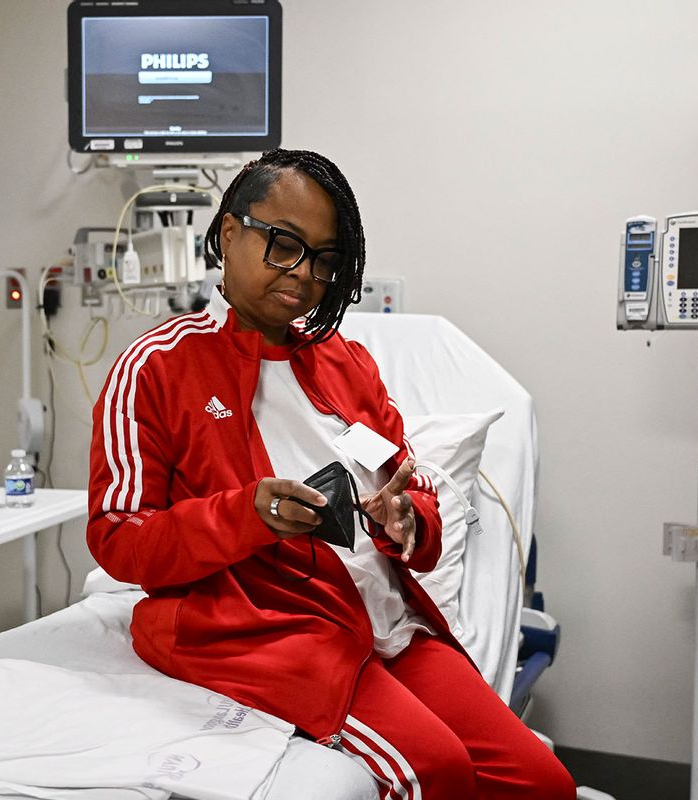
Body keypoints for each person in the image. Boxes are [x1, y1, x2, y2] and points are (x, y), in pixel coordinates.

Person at [87, 148, 574, 799]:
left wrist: (407, 523)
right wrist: (248, 515)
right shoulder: (156, 369)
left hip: (386, 626)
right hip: (271, 631)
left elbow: (413, 489)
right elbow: (119, 539)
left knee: (541, 784)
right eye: (284, 245)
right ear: (230, 233)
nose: (304, 275)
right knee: (437, 771)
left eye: (323, 259)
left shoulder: (348, 365)